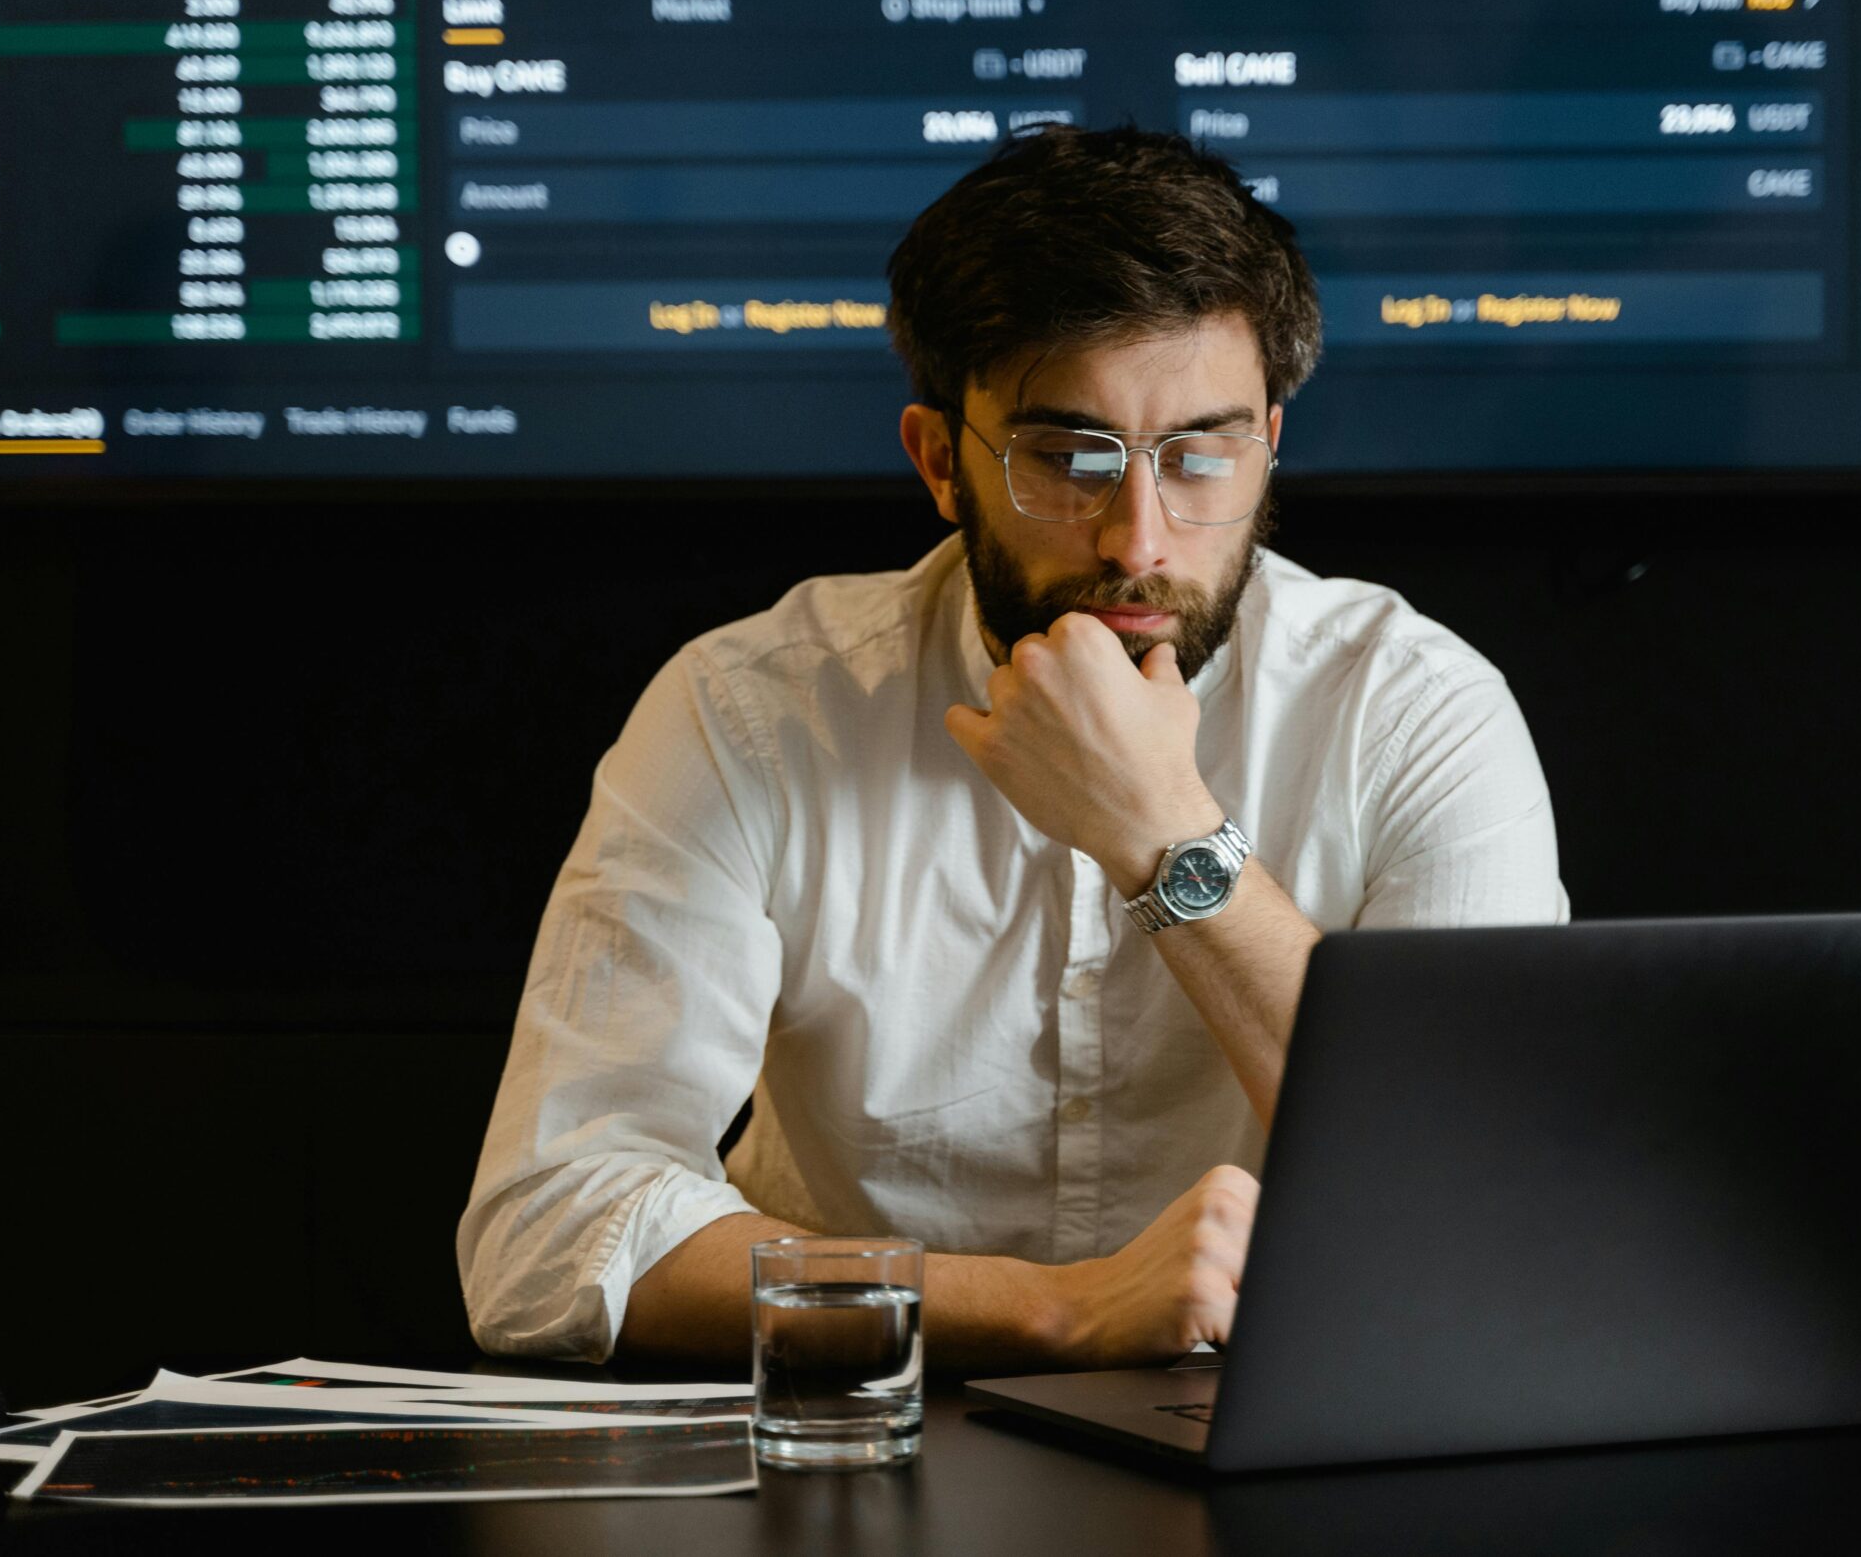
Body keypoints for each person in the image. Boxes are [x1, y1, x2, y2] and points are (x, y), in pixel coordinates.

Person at [457, 125, 1568, 1371]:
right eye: (1066, 458)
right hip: (855, 1447)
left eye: (1202, 454)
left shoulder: (1416, 709)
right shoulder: (751, 708)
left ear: (1270, 442)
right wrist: (1060, 1310)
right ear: (941, 462)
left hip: (1282, 1440)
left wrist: (1167, 844)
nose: (1138, 538)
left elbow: (1486, 1202)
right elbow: (548, 1236)